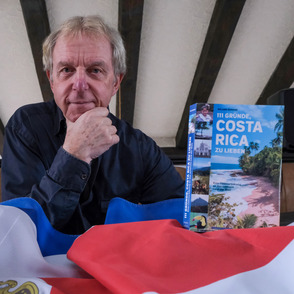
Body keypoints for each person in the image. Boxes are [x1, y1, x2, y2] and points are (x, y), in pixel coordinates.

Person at [1, 15, 184, 234]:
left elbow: (182, 219)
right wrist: (74, 154)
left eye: (95, 70)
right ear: (52, 80)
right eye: (67, 70)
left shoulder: (141, 148)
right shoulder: (25, 127)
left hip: (116, 265)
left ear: (115, 82)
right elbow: (17, 229)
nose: (79, 85)